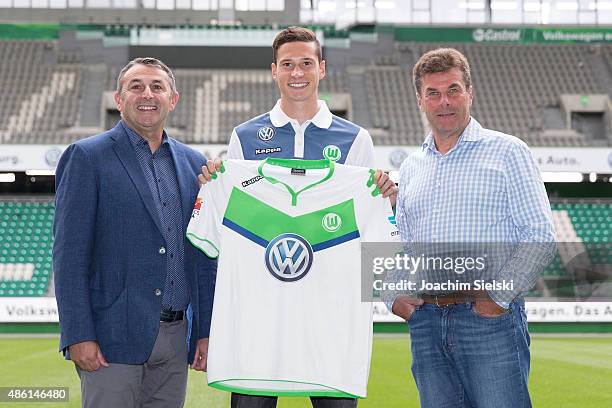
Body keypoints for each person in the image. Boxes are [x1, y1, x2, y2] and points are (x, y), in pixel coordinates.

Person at [200, 27, 396, 408]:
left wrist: (383, 197)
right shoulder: (245, 135)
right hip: (259, 324)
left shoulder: (355, 139)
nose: (297, 72)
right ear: (274, 71)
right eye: (287, 64)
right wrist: (214, 182)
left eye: (306, 63)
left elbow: (367, 233)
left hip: (330, 324)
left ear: (321, 69)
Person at [384, 48, 556, 408]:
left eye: (453, 90)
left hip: (487, 322)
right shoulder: (413, 167)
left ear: (469, 94)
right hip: (427, 323)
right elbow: (407, 247)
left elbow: (539, 236)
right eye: (433, 93)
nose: (444, 101)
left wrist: (496, 298)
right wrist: (392, 295)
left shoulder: (508, 151)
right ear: (420, 100)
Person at [53, 57, 216, 408]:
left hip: (175, 341)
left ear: (173, 99)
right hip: (111, 340)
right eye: (136, 86)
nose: (147, 94)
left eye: (158, 87)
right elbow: (69, 255)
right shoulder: (86, 157)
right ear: (119, 98)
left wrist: (203, 331)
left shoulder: (193, 163)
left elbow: (202, 255)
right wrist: (78, 334)